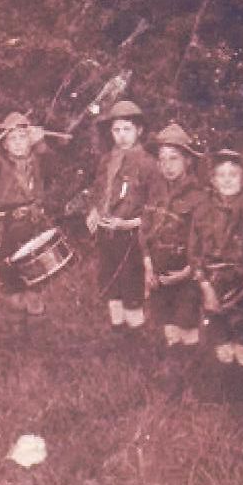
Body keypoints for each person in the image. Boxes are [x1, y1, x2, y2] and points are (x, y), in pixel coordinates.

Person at [189, 149, 243, 403]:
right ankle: (225, 397)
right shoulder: (202, 211)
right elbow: (194, 252)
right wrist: (206, 286)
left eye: (233, 174)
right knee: (221, 341)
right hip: (212, 283)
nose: (227, 180)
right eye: (221, 175)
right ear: (212, 180)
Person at [0, 111, 51, 339]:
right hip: (6, 230)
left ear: (30, 140)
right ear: (5, 144)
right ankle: (17, 340)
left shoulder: (39, 161)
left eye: (22, 137)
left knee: (35, 285)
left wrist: (41, 143)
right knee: (12, 286)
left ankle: (38, 341)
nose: (18, 143)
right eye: (12, 139)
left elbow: (52, 164)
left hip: (34, 227)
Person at [86, 100, 161, 332]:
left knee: (132, 288)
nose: (121, 135)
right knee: (111, 285)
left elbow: (156, 208)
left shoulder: (149, 164)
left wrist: (128, 223)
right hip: (107, 234)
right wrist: (94, 210)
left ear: (139, 130)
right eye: (116, 130)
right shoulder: (107, 160)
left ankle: (135, 336)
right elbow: (99, 190)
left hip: (133, 237)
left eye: (127, 129)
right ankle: (117, 332)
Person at [142, 123, 206, 350]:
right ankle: (173, 362)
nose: (167, 166)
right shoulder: (156, 193)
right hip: (159, 271)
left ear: (188, 161)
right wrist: (148, 266)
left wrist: (187, 272)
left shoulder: (198, 196)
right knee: (167, 324)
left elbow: (202, 241)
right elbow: (145, 230)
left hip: (185, 273)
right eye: (162, 160)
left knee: (186, 324)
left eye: (174, 159)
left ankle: (191, 363)